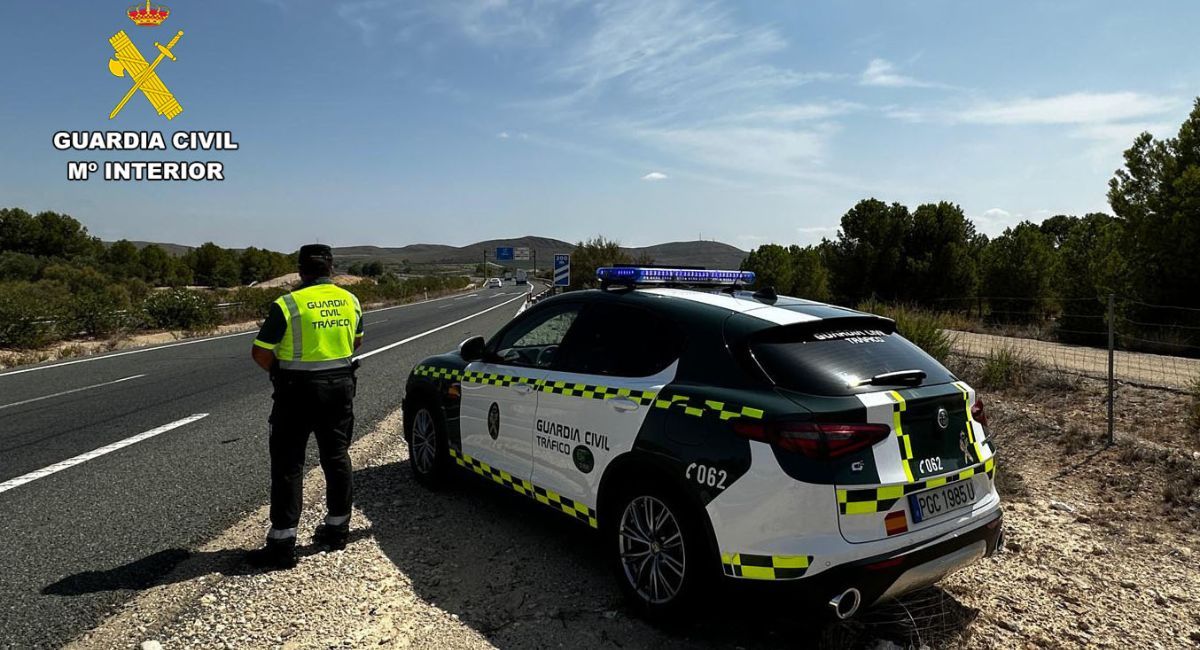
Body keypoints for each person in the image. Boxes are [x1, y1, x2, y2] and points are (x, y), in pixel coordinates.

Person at [246, 244, 363, 569]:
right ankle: (338, 530)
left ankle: (282, 545)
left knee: (288, 465)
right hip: (340, 388)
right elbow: (357, 341)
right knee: (336, 457)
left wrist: (280, 371)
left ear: (300, 270)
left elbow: (260, 352)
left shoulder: (287, 304)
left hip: (296, 391)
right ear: (331, 268)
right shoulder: (350, 300)